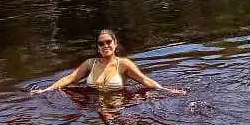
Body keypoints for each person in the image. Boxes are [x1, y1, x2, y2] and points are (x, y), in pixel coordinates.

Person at [30, 29, 186, 96]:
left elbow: (145, 80)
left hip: (118, 103)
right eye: (101, 43)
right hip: (92, 103)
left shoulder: (123, 64)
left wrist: (167, 90)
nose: (105, 45)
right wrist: (45, 91)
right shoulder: (90, 63)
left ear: (115, 43)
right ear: (98, 48)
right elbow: (68, 79)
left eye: (108, 42)